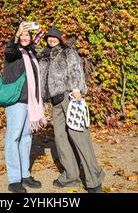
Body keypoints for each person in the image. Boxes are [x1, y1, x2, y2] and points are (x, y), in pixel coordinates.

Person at [38, 26, 105, 193]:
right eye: (49, 37)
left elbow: (76, 70)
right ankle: (71, 175)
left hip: (69, 97)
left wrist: (76, 89)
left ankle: (93, 178)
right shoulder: (45, 55)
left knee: (79, 136)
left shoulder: (68, 51)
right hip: (55, 102)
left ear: (60, 38)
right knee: (61, 139)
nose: (51, 39)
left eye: (55, 37)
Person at [3, 21, 46, 193]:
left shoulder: (31, 53)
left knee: (26, 138)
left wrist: (35, 26)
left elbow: (42, 32)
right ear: (18, 37)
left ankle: (24, 174)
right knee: (13, 138)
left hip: (30, 102)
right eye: (23, 35)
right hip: (16, 101)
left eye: (28, 35)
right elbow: (9, 49)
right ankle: (14, 180)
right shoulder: (14, 54)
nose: (26, 37)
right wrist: (17, 32)